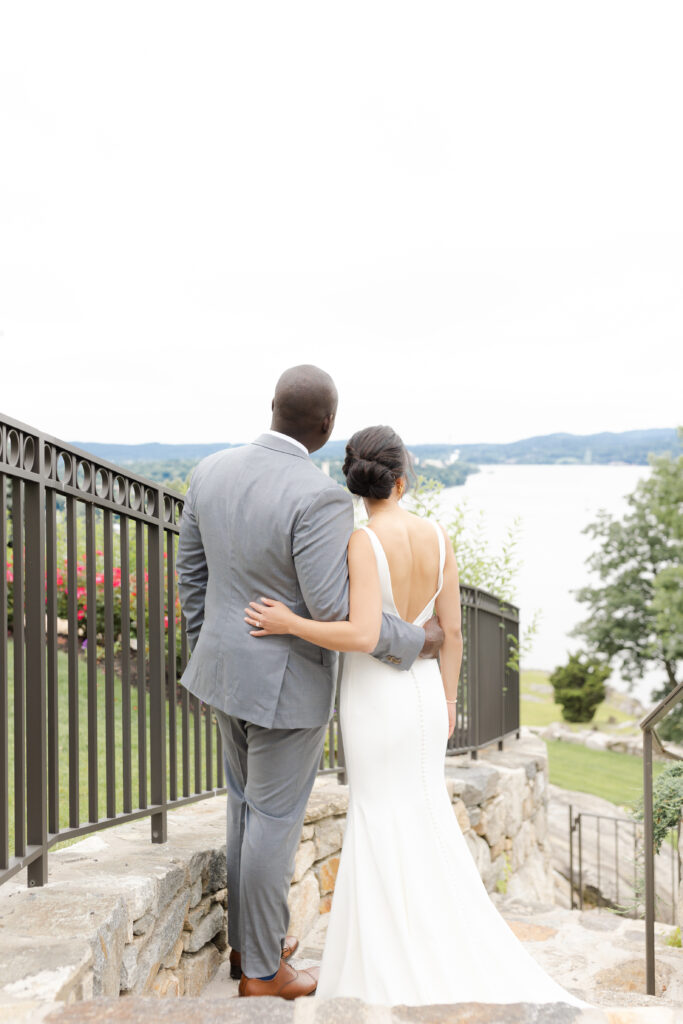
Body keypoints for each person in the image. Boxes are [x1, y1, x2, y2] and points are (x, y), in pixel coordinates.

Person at [245, 424, 590, 1008]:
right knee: (422, 815)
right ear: (401, 478)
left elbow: (359, 633)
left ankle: (382, 963)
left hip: (374, 700)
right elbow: (451, 631)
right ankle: (432, 945)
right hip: (426, 695)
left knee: (378, 817)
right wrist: (450, 700)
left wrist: (291, 624)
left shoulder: (360, 541)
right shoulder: (437, 533)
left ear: (359, 485)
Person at [176, 368, 444, 1000]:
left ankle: (252, 945)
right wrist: (417, 639)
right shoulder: (320, 496)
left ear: (272, 408)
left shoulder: (208, 471)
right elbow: (332, 610)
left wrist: (210, 651)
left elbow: (192, 576)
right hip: (285, 688)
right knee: (272, 820)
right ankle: (264, 974)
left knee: (245, 809)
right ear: (327, 427)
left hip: (223, 675)